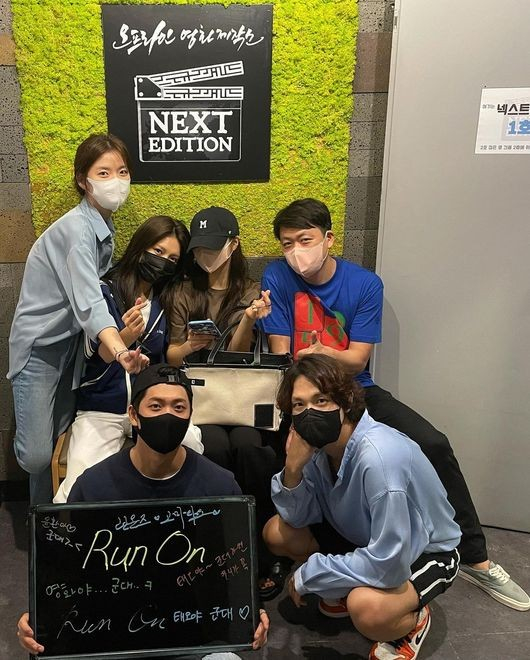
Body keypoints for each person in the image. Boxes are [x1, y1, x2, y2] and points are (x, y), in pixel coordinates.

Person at [260, 197, 530, 611]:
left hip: (354, 387)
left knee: (434, 442)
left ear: (329, 238)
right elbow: (283, 353)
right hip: (300, 389)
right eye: (287, 243)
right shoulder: (277, 276)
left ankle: (476, 559)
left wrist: (323, 352)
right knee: (276, 452)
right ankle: (300, 557)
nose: (296, 251)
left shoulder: (365, 283)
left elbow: (356, 359)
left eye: (305, 239)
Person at [17, 363, 269, 657]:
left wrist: (254, 614)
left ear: (190, 415)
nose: (167, 415)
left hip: (193, 631)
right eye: (156, 406)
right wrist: (38, 620)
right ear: (134, 415)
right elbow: (66, 572)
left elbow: (236, 569)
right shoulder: (93, 487)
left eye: (178, 407)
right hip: (109, 632)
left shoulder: (220, 486)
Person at [264, 354, 461, 660]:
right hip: (365, 537)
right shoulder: (318, 447)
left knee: (368, 609)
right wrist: (293, 469)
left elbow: (389, 562)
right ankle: (350, 584)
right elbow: (297, 518)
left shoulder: (379, 457)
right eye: (299, 405)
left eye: (321, 400)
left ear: (344, 402)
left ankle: (413, 620)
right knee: (278, 533)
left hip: (422, 552)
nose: (309, 412)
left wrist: (313, 573)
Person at [8, 133, 149, 505]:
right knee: (36, 454)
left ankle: (45, 519)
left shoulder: (103, 226)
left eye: (122, 171)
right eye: (103, 172)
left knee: (59, 439)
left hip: (72, 347)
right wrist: (120, 350)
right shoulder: (76, 230)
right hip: (40, 349)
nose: (116, 181)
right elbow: (89, 303)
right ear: (83, 181)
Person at [53, 215, 203, 503]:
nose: (163, 262)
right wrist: (125, 337)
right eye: (158, 251)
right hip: (103, 406)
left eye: (172, 259)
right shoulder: (104, 291)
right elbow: (97, 354)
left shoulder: (165, 299)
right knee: (80, 487)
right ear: (141, 246)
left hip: (153, 406)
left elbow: (166, 357)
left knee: (192, 450)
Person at [167, 206, 271, 470]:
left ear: (233, 244)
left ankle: (252, 499)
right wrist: (190, 346)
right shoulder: (183, 292)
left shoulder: (250, 291)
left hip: (243, 392)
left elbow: (239, 355)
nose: (205, 255)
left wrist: (248, 319)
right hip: (202, 394)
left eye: (212, 248)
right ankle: (218, 498)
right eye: (199, 249)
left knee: (248, 443)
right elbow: (172, 356)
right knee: (212, 444)